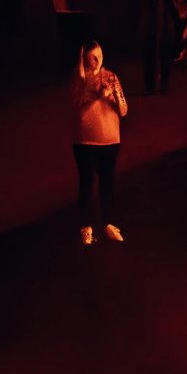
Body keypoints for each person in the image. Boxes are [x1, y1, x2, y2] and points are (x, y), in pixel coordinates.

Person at [71, 43, 128, 243]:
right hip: (84, 141)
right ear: (83, 59)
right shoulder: (79, 78)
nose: (93, 62)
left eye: (97, 57)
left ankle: (109, 224)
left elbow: (123, 110)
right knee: (86, 183)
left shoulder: (110, 77)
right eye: (89, 58)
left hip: (110, 140)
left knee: (108, 183)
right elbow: (74, 102)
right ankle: (85, 227)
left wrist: (114, 95)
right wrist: (92, 91)